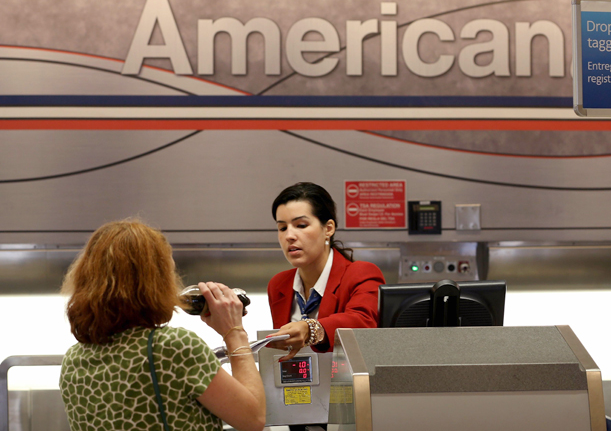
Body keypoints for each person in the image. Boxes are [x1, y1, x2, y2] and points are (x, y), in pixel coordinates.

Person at [58, 219, 265, 431]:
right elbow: (253, 418)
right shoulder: (173, 347)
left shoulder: (73, 361)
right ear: (154, 281)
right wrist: (234, 331)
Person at [266, 182, 385, 361]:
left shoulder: (361, 273)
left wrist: (312, 329)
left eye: (301, 225)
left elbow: (363, 323)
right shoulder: (279, 284)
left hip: (349, 385)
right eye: (282, 228)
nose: (289, 236)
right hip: (297, 386)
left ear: (328, 229)